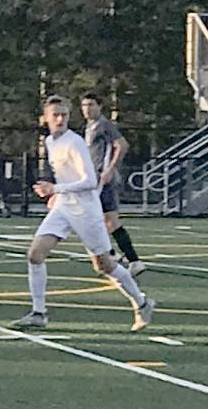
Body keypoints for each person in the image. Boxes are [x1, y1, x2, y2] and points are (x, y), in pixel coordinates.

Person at [11, 96, 155, 332]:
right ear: (45, 118)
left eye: (64, 115)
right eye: (55, 115)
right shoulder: (49, 141)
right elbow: (66, 176)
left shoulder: (74, 142)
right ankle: (39, 313)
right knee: (35, 255)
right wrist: (56, 193)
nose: (60, 119)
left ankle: (141, 302)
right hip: (64, 207)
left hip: (86, 209)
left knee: (104, 265)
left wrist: (55, 189)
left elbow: (89, 180)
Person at [79, 91, 143, 274]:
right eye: (84, 105)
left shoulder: (104, 125)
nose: (87, 109)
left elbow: (122, 144)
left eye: (91, 105)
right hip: (93, 180)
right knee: (102, 220)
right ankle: (117, 255)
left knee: (101, 220)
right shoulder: (90, 127)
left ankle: (130, 259)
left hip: (102, 181)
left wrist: (109, 170)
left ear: (99, 106)